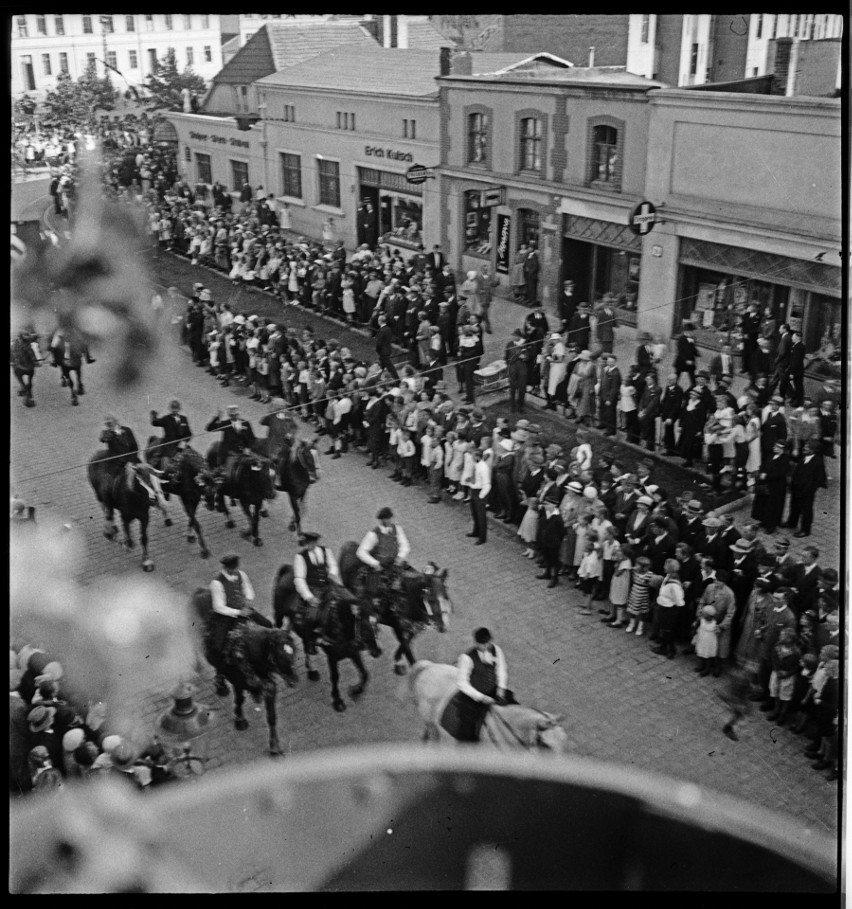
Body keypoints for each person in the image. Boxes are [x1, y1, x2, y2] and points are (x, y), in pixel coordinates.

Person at [454, 628, 511, 742]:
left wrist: (501, 688)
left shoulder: (496, 650)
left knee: (512, 708)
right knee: (469, 723)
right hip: (475, 694)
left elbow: (501, 669)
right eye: (482, 644)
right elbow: (462, 683)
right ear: (476, 643)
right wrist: (481, 697)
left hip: (493, 690)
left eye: (487, 643)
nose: (485, 647)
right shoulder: (466, 658)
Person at [292, 531, 343, 652]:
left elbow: (333, 565)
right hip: (314, 589)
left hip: (328, 585)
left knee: (345, 601)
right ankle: (310, 641)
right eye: (309, 543)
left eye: (314, 542)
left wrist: (332, 574)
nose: (312, 545)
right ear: (306, 543)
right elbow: (299, 579)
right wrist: (309, 597)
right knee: (312, 616)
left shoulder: (326, 551)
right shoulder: (300, 557)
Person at [356, 506, 411, 604]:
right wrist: (375, 564)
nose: (390, 521)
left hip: (395, 564)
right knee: (374, 591)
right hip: (381, 567)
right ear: (383, 520)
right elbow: (361, 552)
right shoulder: (373, 534)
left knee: (410, 581)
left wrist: (400, 557)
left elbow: (405, 544)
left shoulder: (397, 529)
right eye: (388, 519)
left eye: (390, 518)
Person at [785, 439, 827, 538]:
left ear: (813, 450)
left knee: (806, 510)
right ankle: (792, 523)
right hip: (797, 488)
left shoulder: (818, 462)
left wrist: (809, 489)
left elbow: (819, 480)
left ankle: (805, 530)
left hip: (806, 491)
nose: (804, 448)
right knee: (794, 506)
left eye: (807, 447)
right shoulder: (804, 456)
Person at [149, 399, 192, 471]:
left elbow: (189, 434)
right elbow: (155, 423)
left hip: (181, 448)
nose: (174, 411)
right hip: (169, 448)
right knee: (165, 464)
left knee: (192, 461)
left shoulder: (184, 419)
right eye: (173, 409)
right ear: (170, 409)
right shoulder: (166, 419)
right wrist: (153, 416)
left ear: (179, 409)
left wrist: (184, 441)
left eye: (176, 408)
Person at [11, 329, 39, 408]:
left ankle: (26, 392)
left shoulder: (28, 342)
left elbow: (32, 352)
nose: (26, 337)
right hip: (19, 365)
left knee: (33, 348)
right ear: (21, 336)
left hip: (28, 365)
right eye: (25, 336)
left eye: (27, 336)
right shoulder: (15, 345)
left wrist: (35, 361)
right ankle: (26, 392)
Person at [505, 330, 530, 414]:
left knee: (522, 389)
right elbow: (506, 357)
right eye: (513, 335)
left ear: (520, 336)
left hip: (522, 369)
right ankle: (512, 407)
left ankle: (521, 407)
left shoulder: (524, 344)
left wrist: (524, 357)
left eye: (516, 336)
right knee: (512, 389)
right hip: (512, 369)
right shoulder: (509, 344)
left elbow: (527, 356)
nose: (514, 337)